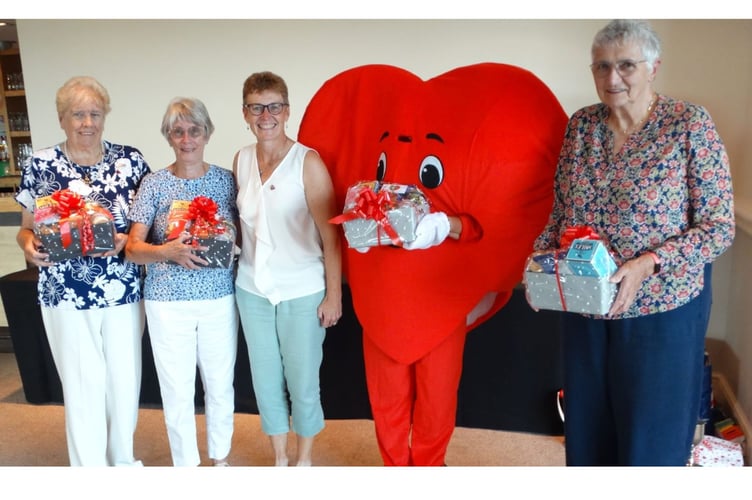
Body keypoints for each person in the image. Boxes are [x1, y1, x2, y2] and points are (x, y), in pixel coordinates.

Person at [533, 19, 735, 466]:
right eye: (601, 66)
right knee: (587, 426)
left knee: (652, 433)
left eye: (626, 65)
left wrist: (648, 263)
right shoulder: (581, 126)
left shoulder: (688, 124)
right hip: (586, 303)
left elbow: (719, 227)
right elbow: (561, 210)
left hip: (661, 308)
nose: (612, 78)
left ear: (654, 67)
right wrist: (539, 263)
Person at [14, 76, 150, 466]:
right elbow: (26, 227)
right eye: (78, 114)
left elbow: (148, 223)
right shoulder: (41, 163)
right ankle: (89, 472)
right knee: (82, 383)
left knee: (124, 382)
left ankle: (122, 462)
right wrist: (28, 246)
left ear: (105, 116)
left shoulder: (131, 161)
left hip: (122, 289)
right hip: (64, 292)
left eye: (94, 113)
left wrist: (129, 241)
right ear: (62, 118)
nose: (87, 122)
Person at [233, 71, 342, 466]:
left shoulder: (307, 162)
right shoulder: (241, 159)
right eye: (257, 107)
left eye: (274, 106)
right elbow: (246, 227)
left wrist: (334, 295)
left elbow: (331, 237)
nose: (267, 115)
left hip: (302, 290)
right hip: (252, 289)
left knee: (302, 383)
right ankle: (279, 459)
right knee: (264, 382)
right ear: (245, 113)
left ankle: (303, 460)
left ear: (287, 110)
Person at [125, 97, 238, 466]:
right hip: (166, 301)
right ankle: (186, 469)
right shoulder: (153, 184)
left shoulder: (226, 181)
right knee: (177, 390)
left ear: (207, 134)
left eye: (195, 130)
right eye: (178, 131)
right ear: (168, 137)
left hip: (219, 297)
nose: (187, 138)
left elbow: (245, 232)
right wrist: (167, 252)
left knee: (220, 385)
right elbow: (132, 248)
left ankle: (220, 459)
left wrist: (232, 242)